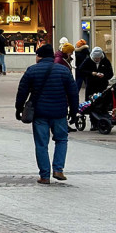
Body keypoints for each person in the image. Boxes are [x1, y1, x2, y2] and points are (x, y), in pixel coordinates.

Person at [15, 44, 78, 184]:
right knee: (61, 140)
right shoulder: (64, 71)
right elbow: (73, 93)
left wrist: (18, 108)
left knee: (41, 144)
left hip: (40, 113)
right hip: (59, 113)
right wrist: (74, 112)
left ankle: (44, 176)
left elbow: (22, 91)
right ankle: (58, 169)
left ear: (39, 56)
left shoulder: (32, 70)